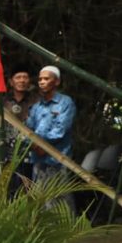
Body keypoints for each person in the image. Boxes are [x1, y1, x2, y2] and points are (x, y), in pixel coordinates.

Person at [26, 65, 77, 207]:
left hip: (57, 159)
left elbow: (60, 130)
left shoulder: (65, 103)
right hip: (38, 159)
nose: (42, 82)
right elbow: (28, 129)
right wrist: (33, 145)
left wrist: (43, 146)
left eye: (46, 79)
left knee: (60, 200)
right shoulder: (37, 107)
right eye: (40, 79)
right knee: (39, 200)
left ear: (57, 81)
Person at [2, 65, 37, 181]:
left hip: (28, 151)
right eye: (18, 77)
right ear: (11, 82)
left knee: (27, 183)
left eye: (25, 77)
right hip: (6, 151)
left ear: (29, 81)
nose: (22, 80)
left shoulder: (36, 101)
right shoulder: (3, 101)